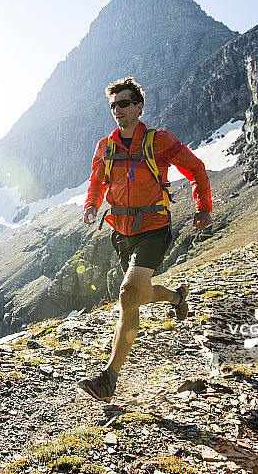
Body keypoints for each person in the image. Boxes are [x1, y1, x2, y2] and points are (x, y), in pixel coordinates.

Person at [78, 77, 212, 402]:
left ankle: (109, 377)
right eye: (113, 106)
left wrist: (203, 207)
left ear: (138, 106)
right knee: (140, 293)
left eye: (123, 104)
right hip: (122, 231)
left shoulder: (159, 141)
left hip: (154, 227)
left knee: (127, 293)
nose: (117, 111)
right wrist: (92, 205)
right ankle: (178, 297)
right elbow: (97, 181)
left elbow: (196, 168)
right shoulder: (105, 147)